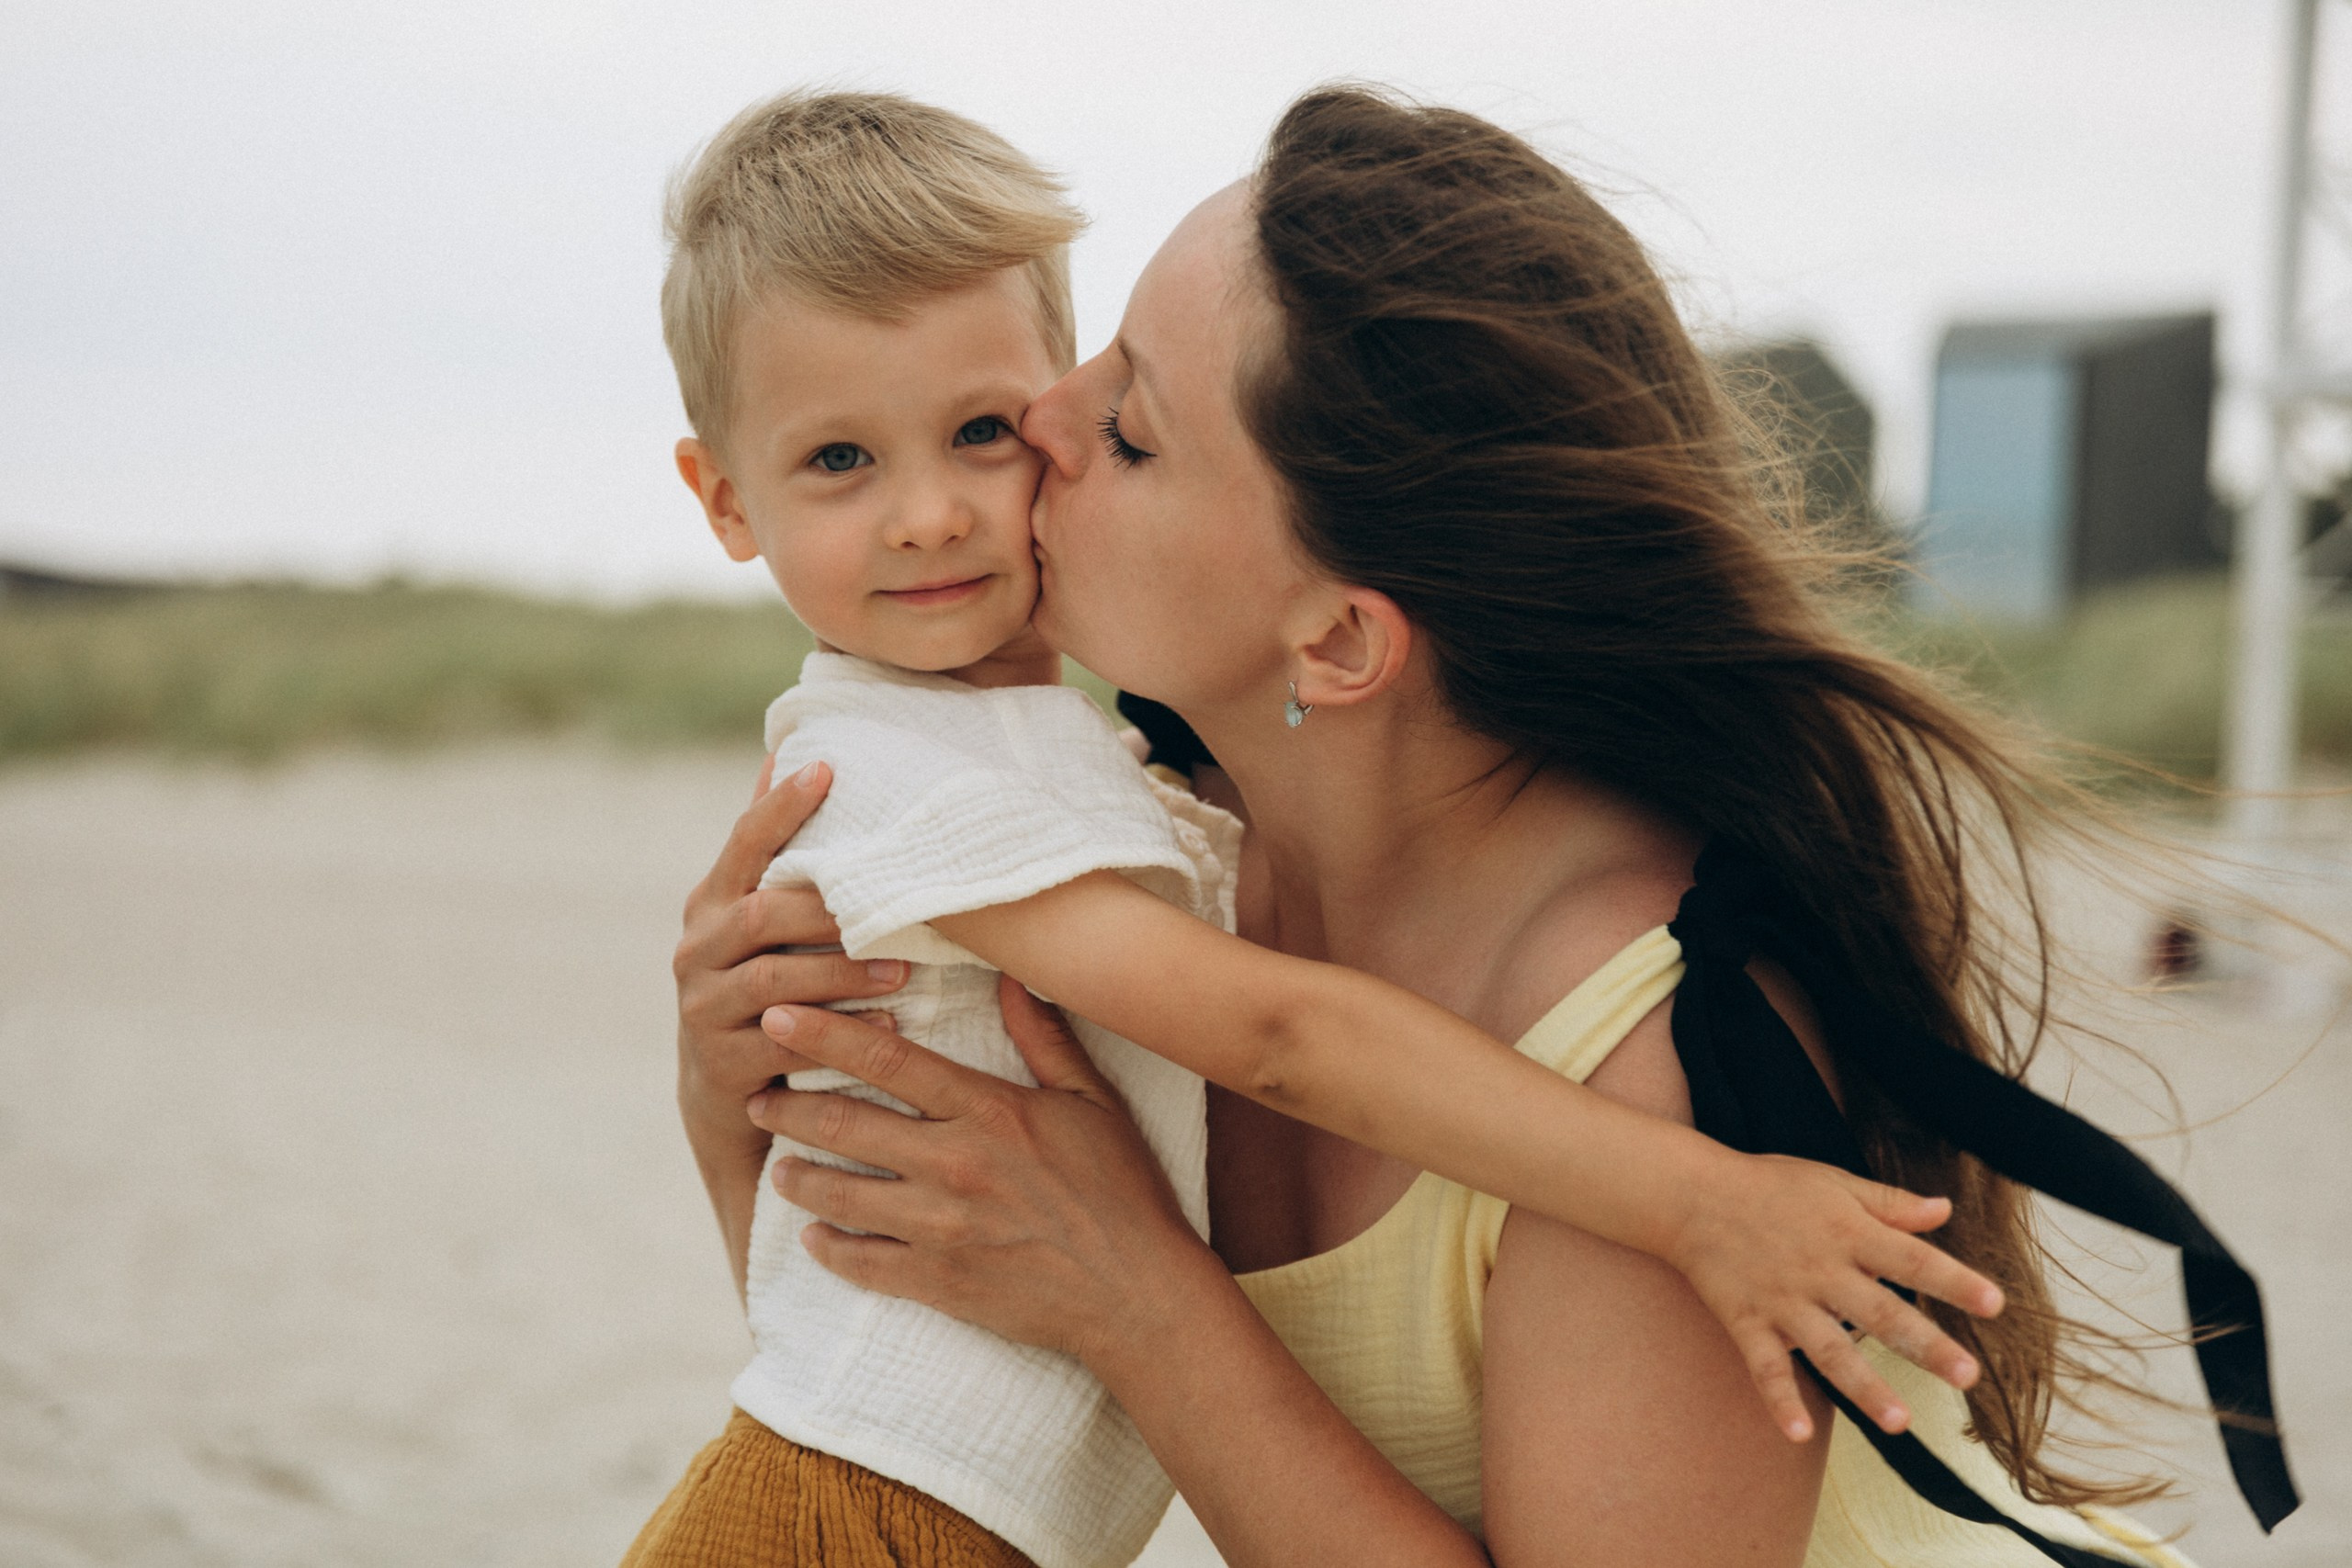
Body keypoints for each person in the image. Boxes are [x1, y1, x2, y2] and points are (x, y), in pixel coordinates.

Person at [677, 89, 2296, 1567]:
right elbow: (906, 1348)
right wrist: (731, 1080)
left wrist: (1143, 1304)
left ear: (1339, 640)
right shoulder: (1158, 863)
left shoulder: (1648, 1066)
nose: (1039, 422)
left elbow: (1119, 1277)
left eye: (1133, 427)